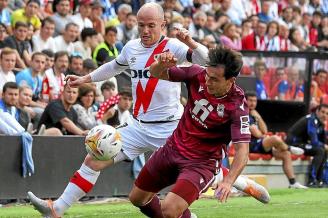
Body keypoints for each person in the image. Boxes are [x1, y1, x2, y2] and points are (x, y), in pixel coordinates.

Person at [27, 3, 267, 217]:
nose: (145, 30)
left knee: (189, 176)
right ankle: (56, 209)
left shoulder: (173, 46)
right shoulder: (131, 48)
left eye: (151, 25)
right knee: (94, 159)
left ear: (163, 24)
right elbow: (113, 67)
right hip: (137, 125)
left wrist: (189, 42)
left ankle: (234, 180)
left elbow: (207, 62)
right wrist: (85, 78)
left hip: (171, 128)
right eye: (141, 25)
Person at [128, 46, 251, 217]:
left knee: (169, 210)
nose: (207, 82)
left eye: (214, 79)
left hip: (201, 164)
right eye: (207, 75)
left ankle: (216, 178)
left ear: (231, 81)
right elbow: (154, 73)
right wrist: (161, 64)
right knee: (137, 198)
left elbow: (242, 152)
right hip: (171, 149)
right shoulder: (196, 73)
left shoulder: (237, 106)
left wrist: (229, 182)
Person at [245, 91, 307, 189]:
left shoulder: (253, 114)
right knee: (274, 138)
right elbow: (258, 134)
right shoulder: (244, 114)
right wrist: (263, 135)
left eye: (254, 101)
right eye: (250, 100)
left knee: (285, 154)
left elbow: (264, 130)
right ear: (245, 101)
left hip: (260, 144)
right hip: (250, 145)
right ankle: (289, 148)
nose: (253, 103)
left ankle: (293, 183)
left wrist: (258, 116)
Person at [286, 104, 328, 187]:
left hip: (303, 144)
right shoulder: (312, 119)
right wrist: (324, 146)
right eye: (323, 112)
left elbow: (322, 141)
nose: (324, 115)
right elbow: (314, 141)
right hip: (294, 144)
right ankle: (312, 181)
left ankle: (321, 181)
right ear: (317, 111)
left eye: (327, 114)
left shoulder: (321, 124)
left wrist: (325, 146)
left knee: (323, 150)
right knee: (320, 150)